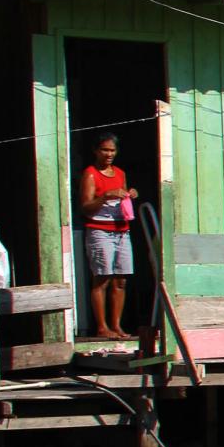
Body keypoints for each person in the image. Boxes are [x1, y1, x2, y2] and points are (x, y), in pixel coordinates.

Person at [75, 132, 137, 340]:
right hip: (100, 231)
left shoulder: (119, 173)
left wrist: (130, 195)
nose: (109, 154)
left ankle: (117, 326)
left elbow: (122, 199)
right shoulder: (91, 174)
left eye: (112, 150)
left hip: (122, 230)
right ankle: (102, 327)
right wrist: (105, 196)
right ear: (95, 150)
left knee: (121, 280)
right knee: (102, 279)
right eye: (105, 150)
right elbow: (85, 207)